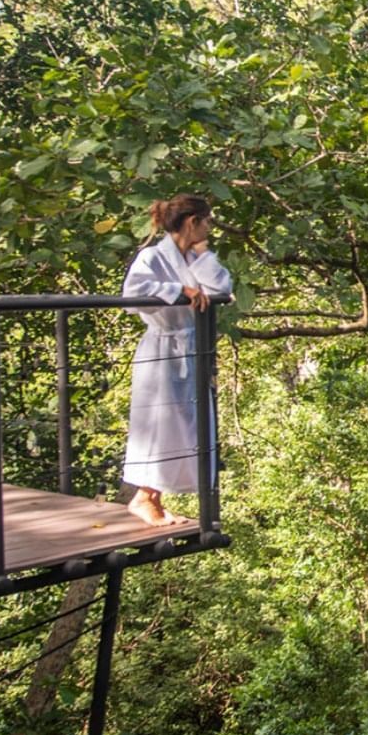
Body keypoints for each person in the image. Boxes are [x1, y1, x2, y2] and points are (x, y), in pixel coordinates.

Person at [121, 193, 231, 526]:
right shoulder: (152, 257)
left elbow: (222, 287)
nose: (210, 227)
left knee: (184, 426)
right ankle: (144, 497)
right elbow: (132, 294)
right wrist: (181, 291)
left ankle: (154, 497)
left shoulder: (194, 257)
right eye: (207, 221)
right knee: (158, 425)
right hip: (162, 348)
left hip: (190, 350)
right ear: (192, 221)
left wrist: (201, 256)